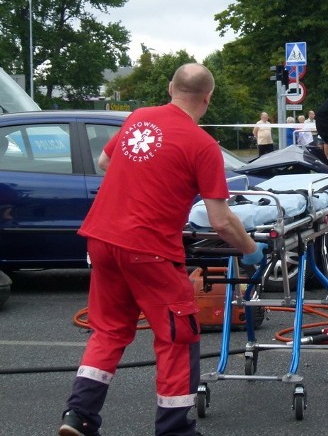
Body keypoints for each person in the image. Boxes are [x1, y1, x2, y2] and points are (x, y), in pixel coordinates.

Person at [59, 63, 265, 436]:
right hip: (149, 250)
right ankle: (174, 429)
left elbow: (105, 162)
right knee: (178, 336)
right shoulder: (202, 144)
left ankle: (79, 416)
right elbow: (221, 220)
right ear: (208, 98)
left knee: (108, 331)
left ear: (171, 88)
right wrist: (250, 249)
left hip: (102, 239)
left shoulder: (139, 118)